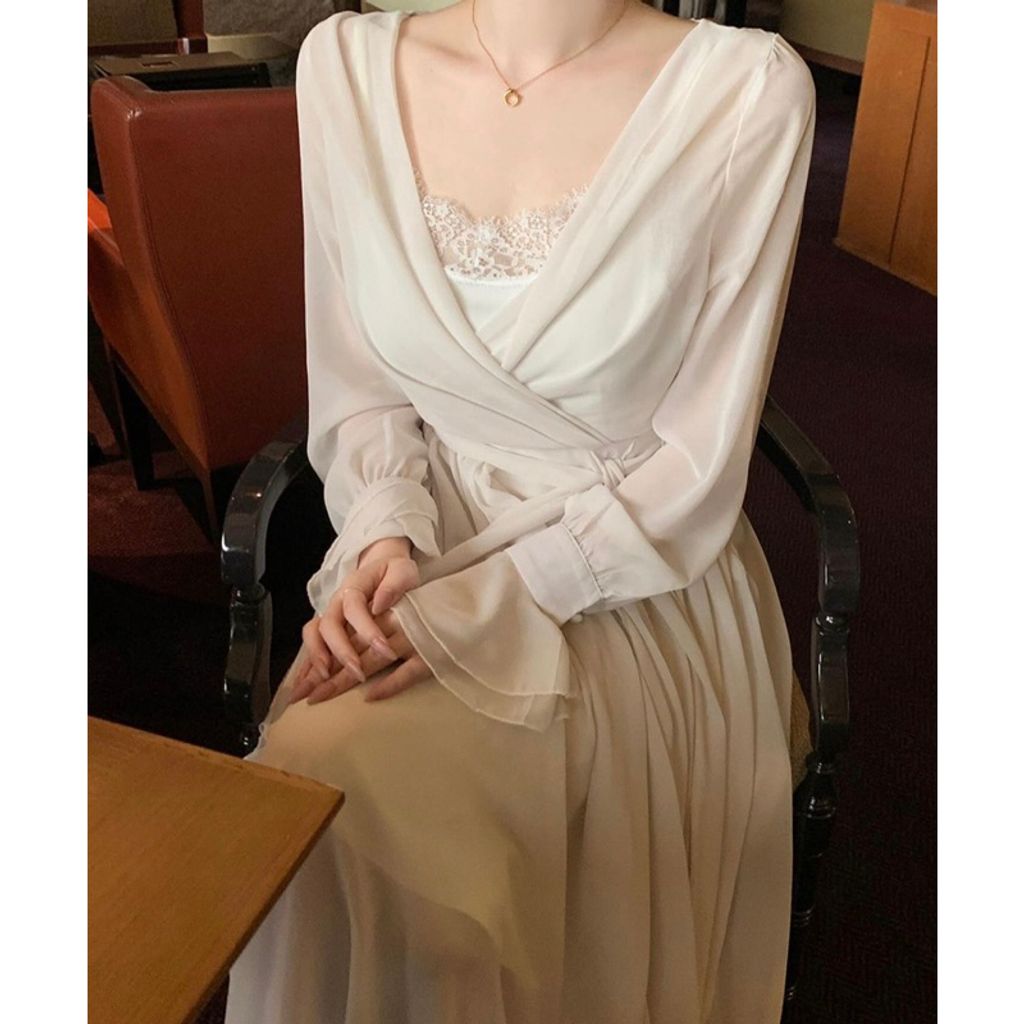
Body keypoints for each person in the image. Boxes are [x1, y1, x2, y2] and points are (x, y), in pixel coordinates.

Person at [224, 1, 816, 1021]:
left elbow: (699, 460)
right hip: (429, 532)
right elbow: (360, 386)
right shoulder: (343, 69)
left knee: (351, 790)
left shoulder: (747, 91)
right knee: (318, 792)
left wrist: (503, 597)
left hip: (629, 563)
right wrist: (382, 526)